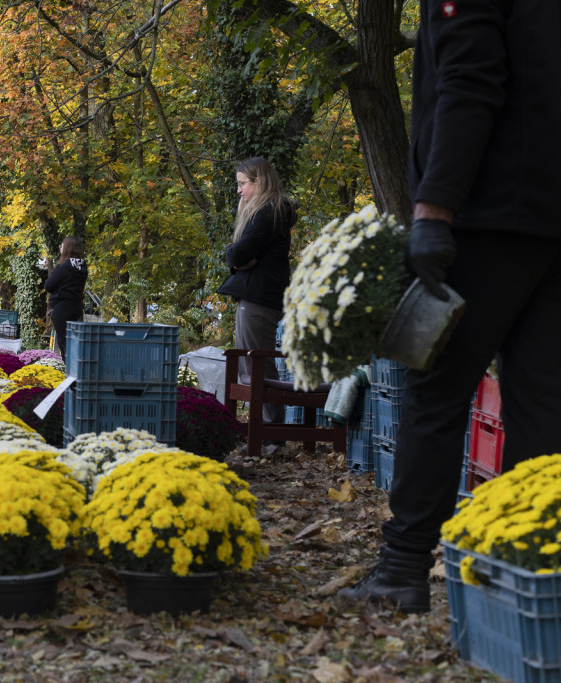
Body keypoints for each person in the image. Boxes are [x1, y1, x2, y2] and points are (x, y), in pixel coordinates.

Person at [339, 2, 561, 614]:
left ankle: (403, 567)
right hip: (550, 220)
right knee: (541, 402)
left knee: (434, 392)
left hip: (487, 216)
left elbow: (469, 81)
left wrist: (433, 210)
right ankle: (527, 571)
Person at [216, 157, 296, 424]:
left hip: (259, 297)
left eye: (242, 184)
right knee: (251, 364)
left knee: (256, 364)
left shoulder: (269, 211)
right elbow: (240, 256)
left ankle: (269, 430)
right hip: (258, 295)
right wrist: (240, 259)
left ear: (258, 182)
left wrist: (240, 259)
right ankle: (264, 429)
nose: (239, 191)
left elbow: (237, 253)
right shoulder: (270, 211)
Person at [43, 235, 88, 361]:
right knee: (73, 343)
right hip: (76, 307)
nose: (60, 247)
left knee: (64, 345)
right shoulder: (83, 268)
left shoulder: (64, 267)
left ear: (68, 248)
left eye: (62, 245)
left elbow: (48, 286)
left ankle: (69, 374)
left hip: (62, 308)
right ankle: (74, 370)